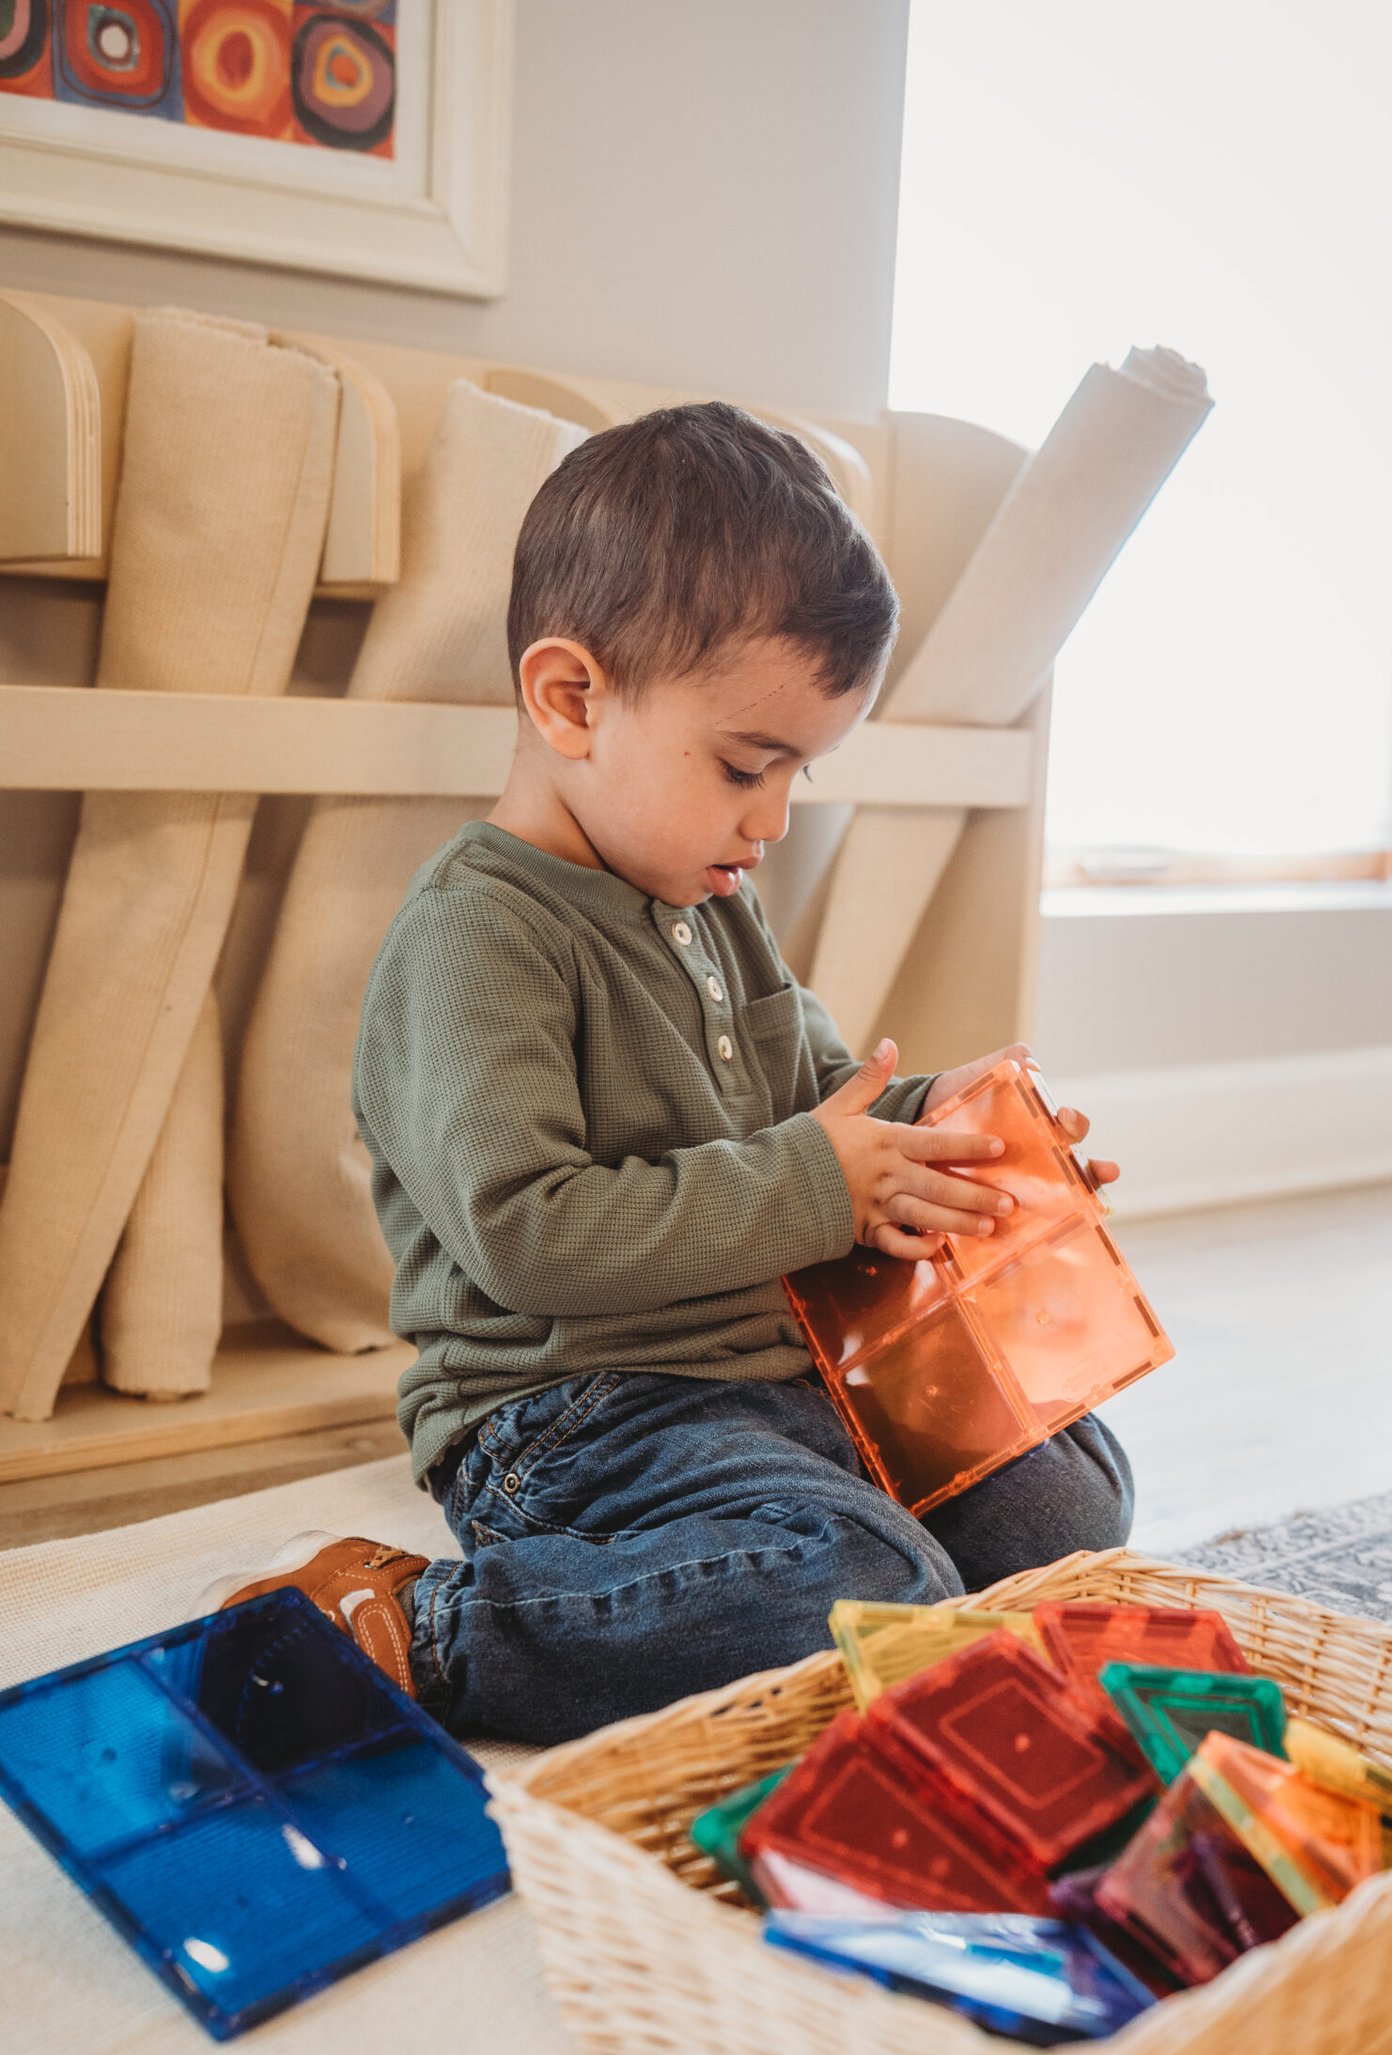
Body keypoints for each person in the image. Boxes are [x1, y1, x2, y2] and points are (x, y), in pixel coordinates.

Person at [221, 403, 1135, 1747]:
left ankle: (851, 1593)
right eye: (744, 767)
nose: (772, 820)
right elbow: (530, 1231)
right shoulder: (478, 935)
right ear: (570, 698)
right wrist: (821, 1183)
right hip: (572, 1411)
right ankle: (424, 1634)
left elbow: (815, 1109)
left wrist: (947, 1131)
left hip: (771, 1376)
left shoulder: (707, 899)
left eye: (795, 773)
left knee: (1068, 1502)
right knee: (862, 1581)